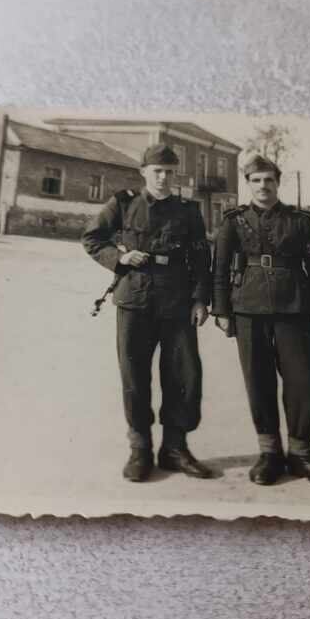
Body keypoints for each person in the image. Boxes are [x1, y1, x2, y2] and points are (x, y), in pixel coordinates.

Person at [82, 144, 213, 482]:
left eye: (169, 171)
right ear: (143, 172)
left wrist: (200, 300)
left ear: (175, 174)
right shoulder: (123, 203)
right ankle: (140, 448)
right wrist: (120, 258)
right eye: (157, 171)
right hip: (135, 301)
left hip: (177, 302)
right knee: (135, 377)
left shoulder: (188, 210)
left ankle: (174, 448)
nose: (163, 177)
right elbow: (92, 238)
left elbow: (201, 259)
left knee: (184, 376)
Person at [211, 155, 310, 487]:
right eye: (256, 180)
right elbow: (220, 269)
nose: (263, 186)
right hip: (248, 310)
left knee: (303, 383)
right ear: (248, 184)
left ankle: (301, 454)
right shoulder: (234, 221)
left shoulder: (299, 221)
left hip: (295, 309)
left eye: (268, 180)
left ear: (277, 183)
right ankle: (269, 453)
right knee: (258, 381)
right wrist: (221, 311)